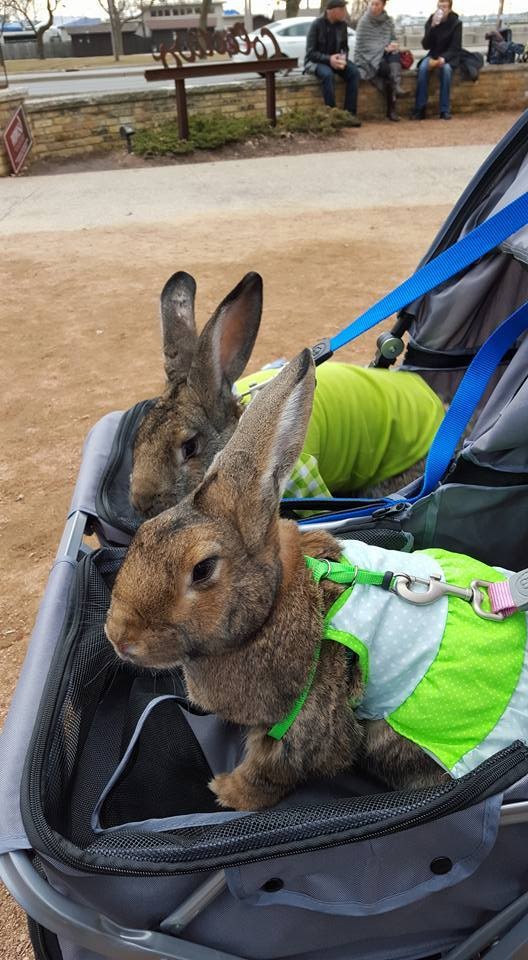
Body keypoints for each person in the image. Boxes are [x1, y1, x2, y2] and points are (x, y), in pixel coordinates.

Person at [304, 0, 361, 127]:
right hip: (317, 62)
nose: (344, 13)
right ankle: (333, 115)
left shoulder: (343, 25)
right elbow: (311, 53)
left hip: (336, 61)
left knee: (354, 73)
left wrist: (342, 58)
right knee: (327, 75)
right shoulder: (316, 25)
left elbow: (345, 47)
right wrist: (329, 59)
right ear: (331, 10)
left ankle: (349, 115)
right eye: (342, 10)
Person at [411, 0, 462, 120]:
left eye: (444, 7)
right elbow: (425, 45)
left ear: (449, 9)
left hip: (449, 56)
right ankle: (420, 109)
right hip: (433, 54)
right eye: (439, 7)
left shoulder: (456, 23)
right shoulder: (431, 20)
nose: (441, 10)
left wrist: (444, 59)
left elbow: (456, 47)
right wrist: (432, 27)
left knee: (447, 70)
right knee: (423, 68)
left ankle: (444, 110)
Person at [354, 0, 403, 122]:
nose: (374, 7)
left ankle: (392, 104)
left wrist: (392, 45)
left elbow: (393, 38)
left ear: (383, 5)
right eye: (373, 4)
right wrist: (383, 48)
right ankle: (392, 106)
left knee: (395, 56)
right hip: (367, 57)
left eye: (377, 4)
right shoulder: (364, 21)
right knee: (386, 71)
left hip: (385, 53)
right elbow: (362, 44)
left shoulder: (388, 20)